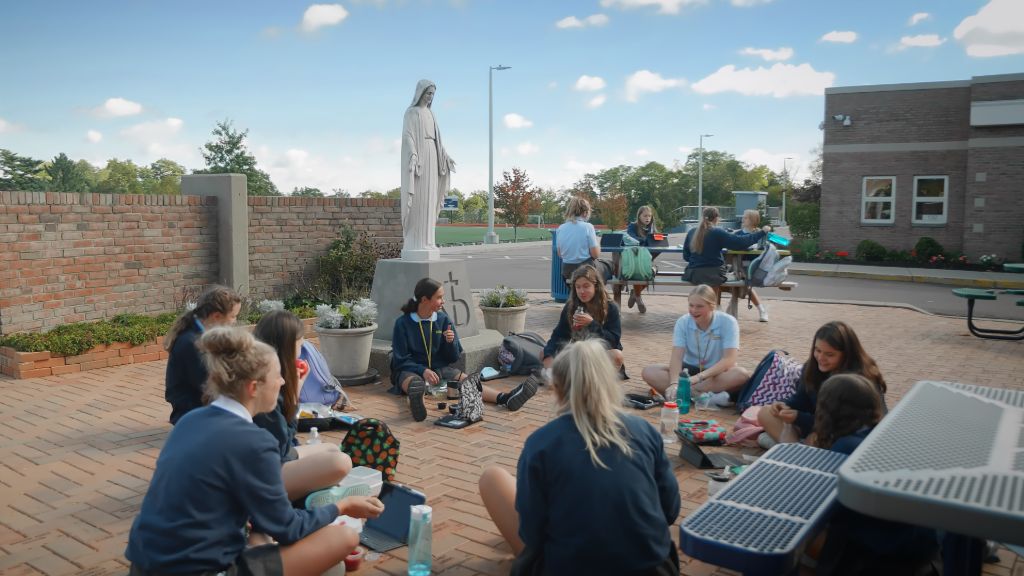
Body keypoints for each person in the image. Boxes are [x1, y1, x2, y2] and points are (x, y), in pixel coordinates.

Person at [126, 327, 384, 576]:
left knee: (267, 537)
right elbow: (288, 528)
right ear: (253, 387)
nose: (283, 381)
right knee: (345, 537)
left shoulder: (190, 421)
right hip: (201, 569)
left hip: (145, 565)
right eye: (277, 376)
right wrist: (344, 505)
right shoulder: (254, 442)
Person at [478, 340, 681, 575]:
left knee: (493, 478)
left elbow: (532, 533)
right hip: (652, 568)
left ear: (558, 387)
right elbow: (670, 509)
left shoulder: (542, 443)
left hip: (568, 567)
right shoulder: (643, 430)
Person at [811, 374, 940, 576]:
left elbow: (824, 508)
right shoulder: (885, 432)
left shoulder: (846, 448)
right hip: (925, 543)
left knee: (795, 532)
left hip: (887, 553)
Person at [391, 278, 537, 422]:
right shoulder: (402, 323)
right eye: (439, 297)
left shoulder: (443, 319)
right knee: (414, 384)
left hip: (438, 369)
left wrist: (450, 342)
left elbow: (453, 357)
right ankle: (418, 404)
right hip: (411, 370)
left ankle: (505, 398)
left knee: (468, 381)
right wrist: (422, 371)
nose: (443, 301)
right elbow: (400, 359)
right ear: (424, 300)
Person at [253, 310, 352, 502]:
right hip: (263, 473)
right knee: (340, 462)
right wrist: (293, 397)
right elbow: (283, 448)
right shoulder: (269, 385)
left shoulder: (262, 372)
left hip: (266, 460)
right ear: (289, 346)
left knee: (332, 449)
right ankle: (307, 499)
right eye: (301, 342)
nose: (304, 346)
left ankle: (314, 493)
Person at [757, 320, 887, 447]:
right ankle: (795, 448)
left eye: (829, 354)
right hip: (818, 424)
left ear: (846, 354)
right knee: (766, 412)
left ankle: (793, 449)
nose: (821, 358)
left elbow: (844, 424)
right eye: (817, 351)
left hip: (847, 433)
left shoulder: (856, 382)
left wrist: (800, 418)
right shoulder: (812, 368)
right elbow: (801, 399)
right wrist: (783, 405)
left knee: (815, 439)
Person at [640, 284, 750, 404]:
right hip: (688, 370)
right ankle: (704, 397)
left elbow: (729, 359)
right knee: (649, 371)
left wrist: (698, 378)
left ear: (712, 306)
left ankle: (689, 393)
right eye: (691, 305)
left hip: (716, 373)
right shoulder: (683, 322)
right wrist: (674, 383)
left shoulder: (728, 322)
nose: (693, 310)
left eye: (699, 306)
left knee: (741, 374)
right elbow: (677, 357)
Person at [163, 285, 242, 425]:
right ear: (216, 316)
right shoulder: (192, 343)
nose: (235, 321)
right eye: (233, 316)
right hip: (190, 410)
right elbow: (208, 384)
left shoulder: (203, 332)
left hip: (199, 401)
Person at [401, 79, 455, 260]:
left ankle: (429, 241)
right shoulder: (412, 113)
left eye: (432, 94)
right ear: (420, 93)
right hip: (420, 156)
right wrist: (413, 154)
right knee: (420, 199)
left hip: (433, 155)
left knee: (431, 199)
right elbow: (408, 136)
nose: (430, 97)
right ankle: (416, 242)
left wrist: (445, 156)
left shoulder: (432, 114)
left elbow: (438, 139)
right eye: (428, 93)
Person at [542, 264, 623, 370]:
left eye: (586, 286)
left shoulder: (610, 307)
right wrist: (548, 355)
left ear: (596, 286)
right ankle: (565, 376)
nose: (581, 291)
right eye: (578, 287)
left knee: (616, 355)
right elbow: (559, 335)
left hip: (599, 355)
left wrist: (592, 324)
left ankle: (596, 380)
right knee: (543, 353)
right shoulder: (571, 307)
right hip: (577, 353)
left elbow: (614, 341)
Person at [682, 206, 769, 288]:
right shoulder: (717, 232)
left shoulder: (691, 232)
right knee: (731, 275)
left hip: (693, 273)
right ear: (717, 218)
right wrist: (762, 232)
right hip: (713, 273)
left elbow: (686, 256)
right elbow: (739, 243)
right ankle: (714, 303)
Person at [556, 196, 612, 281]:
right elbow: (595, 255)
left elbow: (560, 254)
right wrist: (598, 242)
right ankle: (615, 292)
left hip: (567, 271)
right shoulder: (588, 227)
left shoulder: (560, 228)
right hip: (586, 270)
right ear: (585, 213)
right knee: (610, 265)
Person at [625, 205, 659, 313]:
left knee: (653, 271)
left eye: (649, 216)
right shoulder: (633, 226)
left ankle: (635, 294)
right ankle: (638, 298)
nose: (647, 218)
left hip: (647, 259)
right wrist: (646, 240)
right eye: (645, 216)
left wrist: (658, 239)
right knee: (640, 273)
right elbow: (631, 238)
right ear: (639, 216)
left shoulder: (652, 227)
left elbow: (655, 242)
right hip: (635, 259)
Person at [736, 209, 769, 322]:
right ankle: (761, 309)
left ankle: (761, 309)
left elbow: (765, 248)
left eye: (745, 217)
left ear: (752, 220)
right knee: (743, 285)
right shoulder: (738, 234)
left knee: (744, 285)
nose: (742, 219)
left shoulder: (760, 233)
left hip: (755, 267)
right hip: (740, 266)